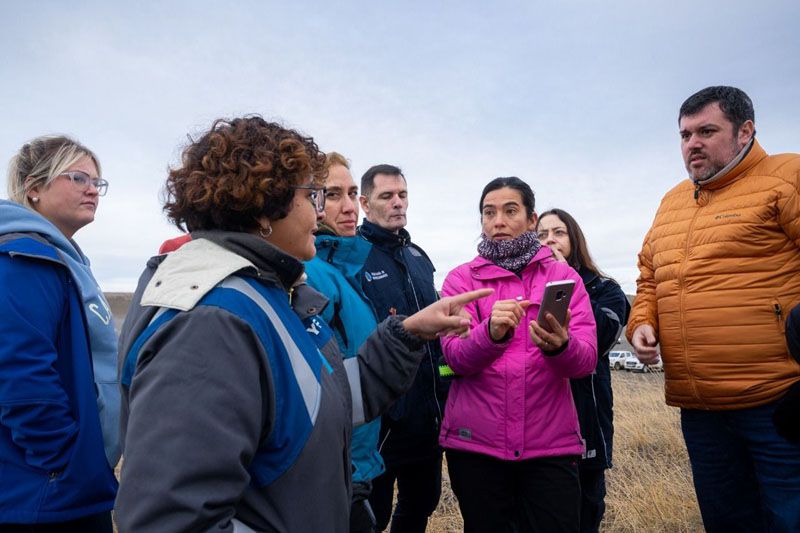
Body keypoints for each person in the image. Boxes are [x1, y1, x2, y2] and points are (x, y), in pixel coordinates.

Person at [115, 116, 490, 533]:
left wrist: (407, 335)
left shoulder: (267, 293)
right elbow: (174, 518)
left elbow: (321, 398)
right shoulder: (210, 322)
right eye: (312, 195)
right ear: (266, 205)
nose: (320, 210)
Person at [628, 86, 800, 532]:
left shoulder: (788, 177)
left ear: (745, 131)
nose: (692, 144)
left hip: (778, 402)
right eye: (685, 135)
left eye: (706, 131)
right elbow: (649, 278)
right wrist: (642, 322)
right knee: (726, 522)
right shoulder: (671, 201)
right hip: (700, 409)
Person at [439, 177, 597, 532]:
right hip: (477, 447)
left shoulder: (563, 276)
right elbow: (454, 358)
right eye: (489, 213)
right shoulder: (460, 280)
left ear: (531, 219)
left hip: (550, 446)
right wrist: (490, 335)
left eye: (510, 211)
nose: (498, 221)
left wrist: (561, 347)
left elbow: (586, 361)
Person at [0, 136, 119, 532]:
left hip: (63, 485)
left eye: (97, 182)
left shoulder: (66, 261)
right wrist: (67, 463)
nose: (93, 190)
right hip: (43, 494)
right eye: (78, 178)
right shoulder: (23, 259)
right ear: (34, 187)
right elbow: (21, 376)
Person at [358, 164, 446, 533]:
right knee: (372, 516)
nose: (397, 203)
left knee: (421, 504)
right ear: (365, 204)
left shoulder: (419, 258)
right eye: (387, 196)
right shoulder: (355, 257)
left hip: (428, 419)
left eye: (402, 194)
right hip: (383, 421)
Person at [304, 152, 383, 532]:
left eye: (352, 193)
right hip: (335, 469)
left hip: (355, 461)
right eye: (333, 194)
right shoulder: (311, 272)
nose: (351, 207)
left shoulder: (341, 270)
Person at [537, 208, 630, 533]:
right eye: (541, 235)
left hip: (585, 419)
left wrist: (566, 281)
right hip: (539, 424)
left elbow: (602, 335)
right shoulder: (527, 287)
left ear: (574, 239)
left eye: (558, 233)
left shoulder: (605, 289)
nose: (549, 240)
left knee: (584, 513)